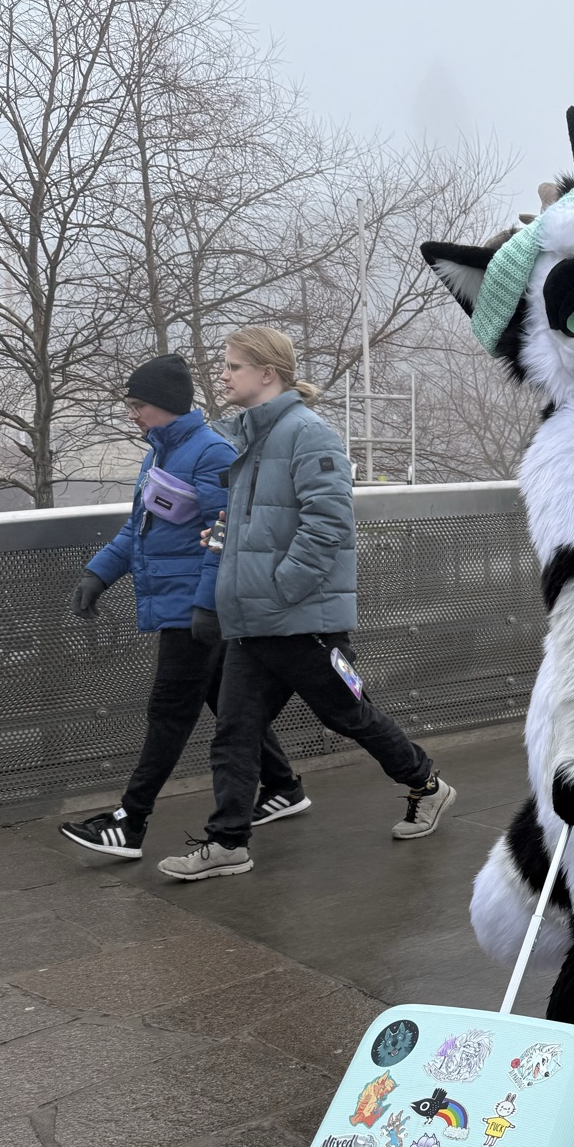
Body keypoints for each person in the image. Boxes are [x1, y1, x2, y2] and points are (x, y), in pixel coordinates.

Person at [158, 326, 454, 881]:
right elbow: (267, 522)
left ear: (267, 373)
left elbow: (328, 525)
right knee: (235, 731)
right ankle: (227, 842)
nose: (222, 375)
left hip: (299, 620)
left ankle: (427, 784)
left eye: (233, 366)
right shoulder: (253, 437)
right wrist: (225, 540)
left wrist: (280, 588)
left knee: (348, 714)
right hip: (254, 620)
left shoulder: (308, 435)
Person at [58, 355, 308, 860]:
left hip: (195, 608)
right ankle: (284, 787)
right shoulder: (161, 453)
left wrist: (205, 606)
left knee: (168, 712)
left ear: (166, 404)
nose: (133, 414)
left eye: (139, 404)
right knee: (222, 701)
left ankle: (131, 821)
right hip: (182, 604)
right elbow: (140, 529)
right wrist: (98, 574)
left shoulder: (210, 453)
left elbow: (226, 534)